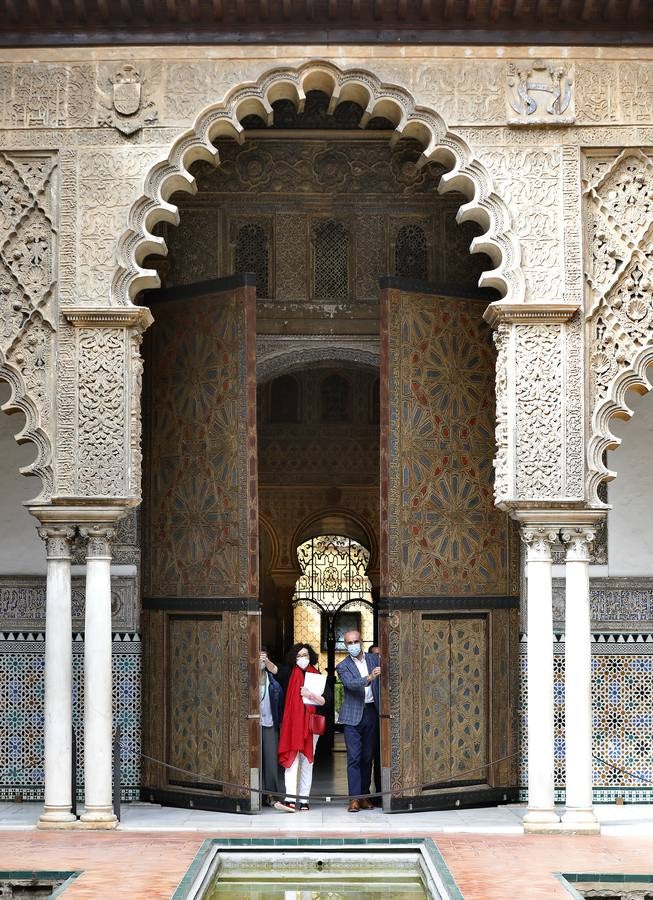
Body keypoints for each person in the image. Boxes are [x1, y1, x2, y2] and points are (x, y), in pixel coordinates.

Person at [274, 642, 328, 812]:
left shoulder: (317, 675)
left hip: (311, 727)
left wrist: (310, 694)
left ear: (310, 656)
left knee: (307, 762)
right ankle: (290, 800)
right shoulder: (289, 673)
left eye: (305, 655)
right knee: (292, 761)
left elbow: (326, 700)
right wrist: (264, 660)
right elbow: (274, 670)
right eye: (299, 656)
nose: (302, 658)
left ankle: (304, 800)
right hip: (293, 726)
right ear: (293, 658)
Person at [336, 630, 380, 812]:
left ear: (361, 641)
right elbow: (350, 684)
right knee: (353, 758)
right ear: (346, 645)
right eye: (349, 643)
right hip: (352, 717)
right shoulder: (343, 665)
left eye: (355, 641)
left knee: (367, 758)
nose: (353, 645)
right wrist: (369, 678)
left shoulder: (374, 659)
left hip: (371, 712)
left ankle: (364, 796)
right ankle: (354, 799)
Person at [258, 646, 283, 807]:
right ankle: (253, 794)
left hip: (269, 722)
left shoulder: (272, 680)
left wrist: (267, 663)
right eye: (258, 657)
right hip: (250, 724)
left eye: (264, 657)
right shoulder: (246, 678)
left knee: (270, 760)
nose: (261, 660)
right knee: (253, 760)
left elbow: (277, 671)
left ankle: (271, 794)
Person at [367, 643, 382, 804]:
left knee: (381, 758)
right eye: (374, 655)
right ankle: (368, 795)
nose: (377, 659)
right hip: (371, 717)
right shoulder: (369, 674)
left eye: (380, 655)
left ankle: (381, 793)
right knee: (368, 757)